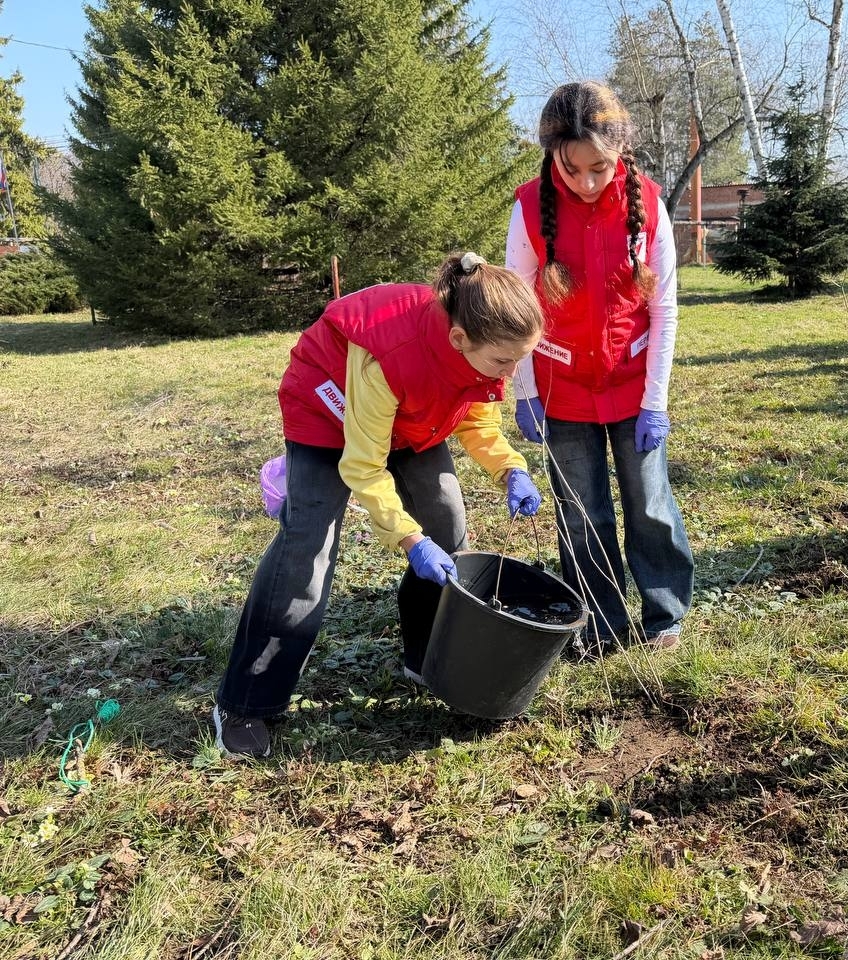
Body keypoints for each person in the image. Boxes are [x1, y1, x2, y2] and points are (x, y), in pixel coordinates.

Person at [213, 254, 546, 757]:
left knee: (446, 515)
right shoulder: (390, 357)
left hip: (412, 416)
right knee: (309, 548)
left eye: (519, 359)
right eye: (505, 361)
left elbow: (476, 420)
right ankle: (245, 702)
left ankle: (426, 656)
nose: (512, 371)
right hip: (327, 411)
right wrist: (410, 540)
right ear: (459, 339)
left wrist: (510, 469)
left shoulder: (482, 345)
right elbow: (364, 467)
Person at [505, 80, 694, 655]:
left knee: (650, 506)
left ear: (621, 156)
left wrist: (655, 400)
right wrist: (525, 390)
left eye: (599, 169)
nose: (586, 183)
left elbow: (663, 309)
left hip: (634, 389)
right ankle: (602, 623)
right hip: (562, 394)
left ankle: (664, 616)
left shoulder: (649, 205)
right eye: (571, 170)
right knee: (582, 515)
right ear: (552, 157)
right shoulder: (528, 209)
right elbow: (518, 304)